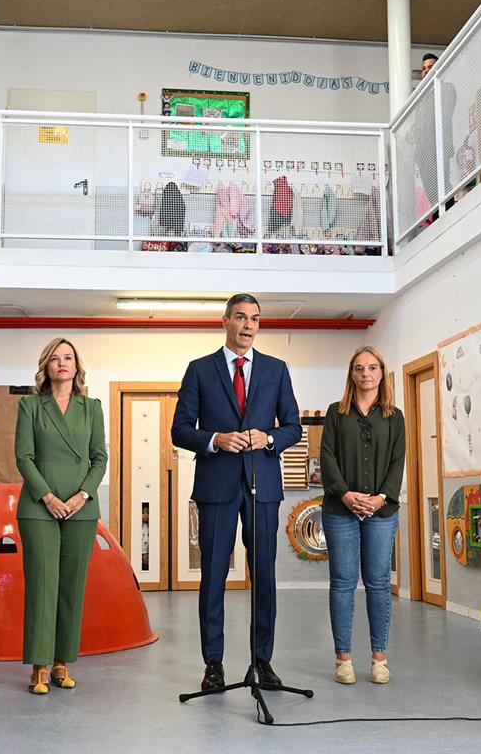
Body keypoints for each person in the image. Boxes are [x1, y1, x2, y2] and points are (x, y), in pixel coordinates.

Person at [171, 293, 302, 691]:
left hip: (263, 487)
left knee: (264, 577)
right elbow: (179, 429)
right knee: (213, 579)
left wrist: (267, 438)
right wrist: (214, 440)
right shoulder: (199, 370)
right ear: (225, 321)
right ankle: (213, 665)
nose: (248, 325)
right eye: (241, 317)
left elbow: (294, 426)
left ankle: (263, 660)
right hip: (217, 487)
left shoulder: (276, 370)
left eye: (255, 319)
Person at [13, 337, 107, 694]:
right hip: (39, 508)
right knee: (42, 584)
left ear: (77, 366)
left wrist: (83, 494)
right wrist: (49, 497)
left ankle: (60, 662)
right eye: (55, 358)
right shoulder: (30, 406)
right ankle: (38, 665)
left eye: (68, 358)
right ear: (46, 366)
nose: (62, 363)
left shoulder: (92, 407)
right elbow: (23, 457)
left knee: (71, 586)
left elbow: (100, 457)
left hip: (81, 508)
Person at [319, 345, 405, 685]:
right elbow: (327, 458)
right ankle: (344, 659)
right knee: (342, 584)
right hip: (341, 510)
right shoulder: (335, 414)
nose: (366, 374)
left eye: (372, 368)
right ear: (351, 375)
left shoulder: (394, 416)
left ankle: (379, 658)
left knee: (379, 584)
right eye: (359, 368)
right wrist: (346, 494)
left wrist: (382, 497)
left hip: (382, 512)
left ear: (382, 374)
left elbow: (398, 460)